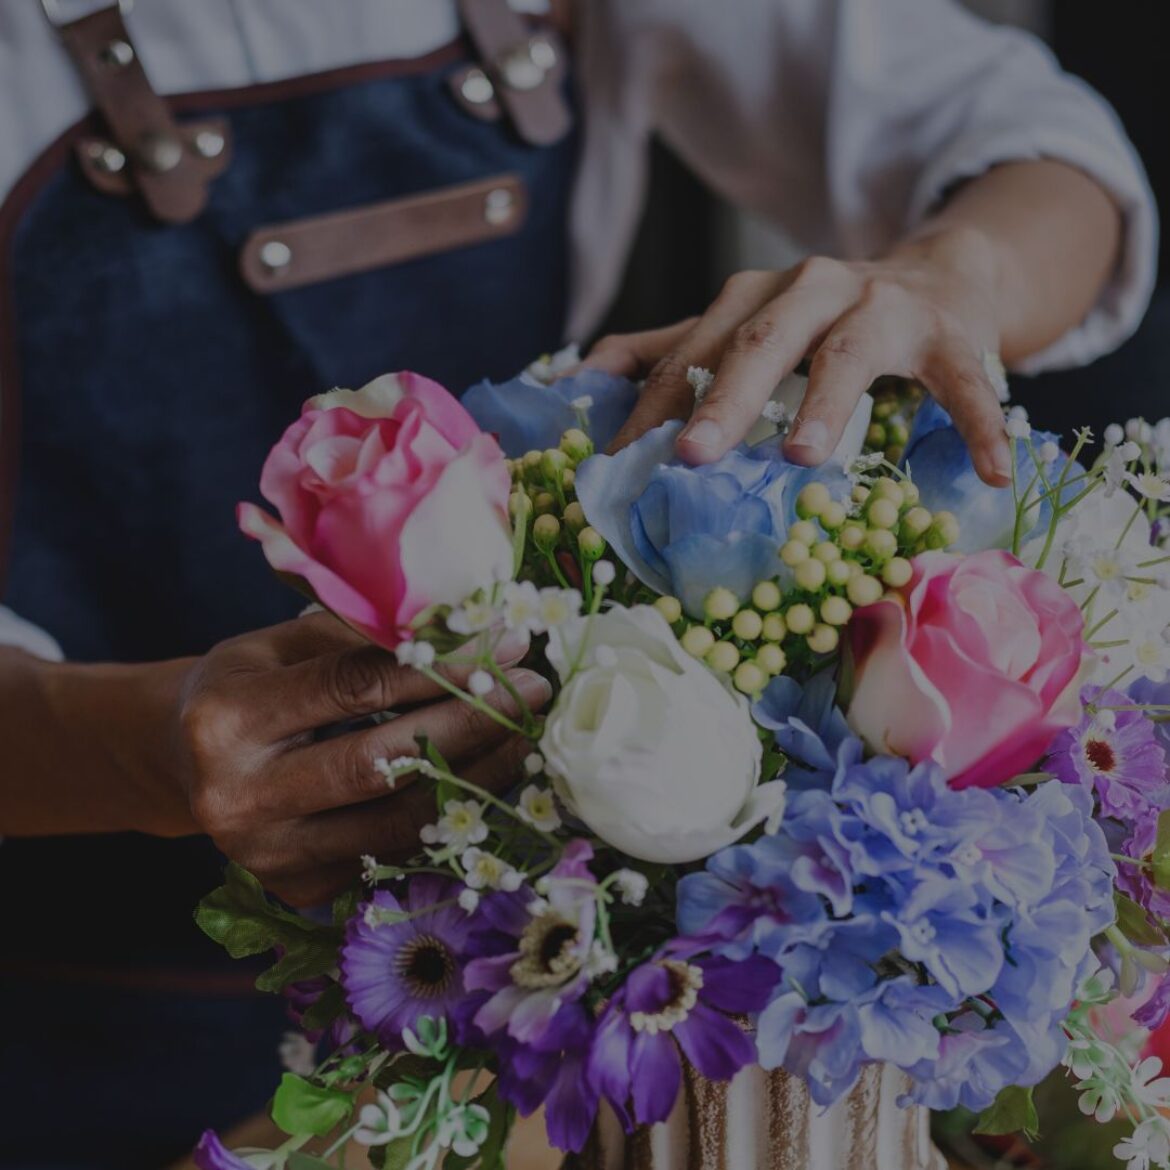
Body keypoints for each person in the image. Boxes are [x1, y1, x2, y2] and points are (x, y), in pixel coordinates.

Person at [0, 0, 1155, 1165]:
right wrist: (128, 743)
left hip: (513, 1019)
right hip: (55, 1015)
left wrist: (951, 273)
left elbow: (1053, 157)